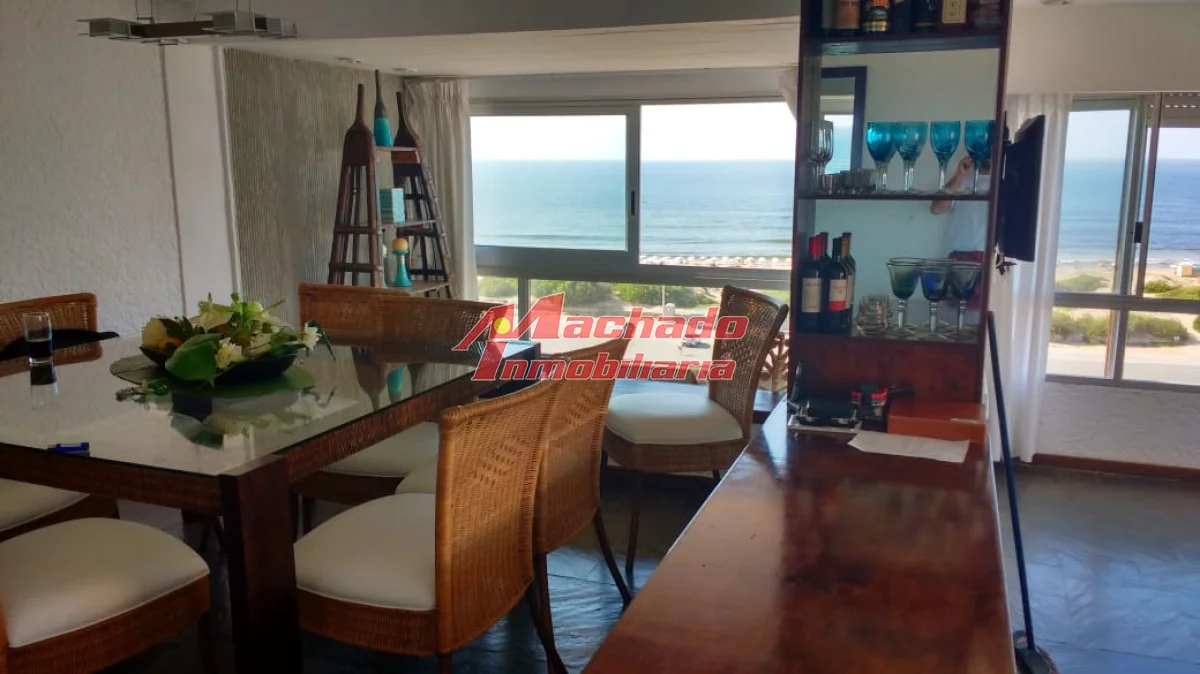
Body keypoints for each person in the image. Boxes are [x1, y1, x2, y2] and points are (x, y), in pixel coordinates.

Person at [930, 155, 990, 264]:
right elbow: (936, 208)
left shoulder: (1006, 182)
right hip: (959, 256)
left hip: (990, 257)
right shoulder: (964, 177)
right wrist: (959, 176)